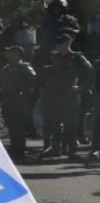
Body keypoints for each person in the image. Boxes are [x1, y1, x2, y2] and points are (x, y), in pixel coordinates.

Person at [39, 29, 92, 159]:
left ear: (69, 43)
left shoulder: (77, 57)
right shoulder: (54, 57)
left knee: (70, 123)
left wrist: (81, 87)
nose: (59, 45)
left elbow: (89, 72)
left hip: (70, 94)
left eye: (62, 43)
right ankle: (56, 148)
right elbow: (49, 75)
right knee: (55, 122)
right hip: (54, 94)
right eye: (58, 43)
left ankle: (71, 149)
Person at [0, 45, 37, 162]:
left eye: (11, 52)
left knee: (20, 128)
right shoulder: (5, 69)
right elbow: (0, 85)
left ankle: (21, 152)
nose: (8, 55)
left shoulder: (25, 67)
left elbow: (35, 82)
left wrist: (29, 98)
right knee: (12, 128)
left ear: (18, 54)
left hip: (21, 103)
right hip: (8, 103)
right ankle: (15, 151)